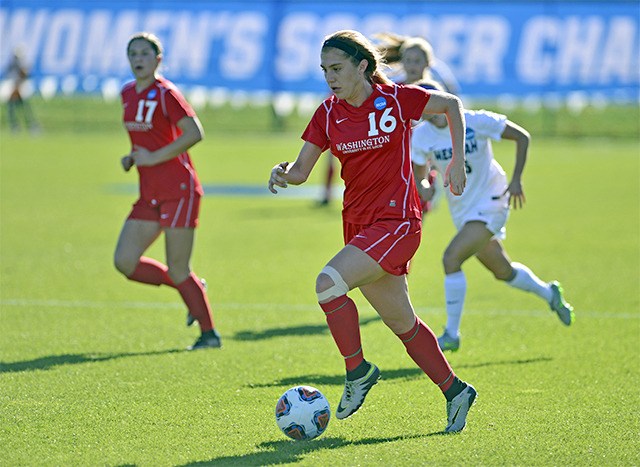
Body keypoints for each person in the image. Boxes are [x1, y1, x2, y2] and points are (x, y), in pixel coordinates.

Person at [268, 29, 476, 433]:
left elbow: (451, 105)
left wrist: (458, 163)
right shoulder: (327, 113)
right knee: (403, 324)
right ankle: (456, 391)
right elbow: (301, 170)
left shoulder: (397, 99)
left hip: (398, 222)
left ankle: (357, 372)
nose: (330, 77)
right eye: (325, 70)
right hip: (359, 226)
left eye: (338, 68)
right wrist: (283, 173)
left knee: (327, 284)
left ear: (362, 66)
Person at [411, 83, 575, 352]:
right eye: (427, 108)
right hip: (462, 211)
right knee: (503, 271)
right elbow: (421, 179)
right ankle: (550, 293)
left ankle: (451, 334)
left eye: (436, 103)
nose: (433, 111)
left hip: (493, 202)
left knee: (451, 258)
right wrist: (425, 190)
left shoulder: (475, 120)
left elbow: (522, 137)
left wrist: (517, 180)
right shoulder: (422, 137)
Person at [114, 32, 221, 351]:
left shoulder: (166, 93)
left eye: (145, 53)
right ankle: (190, 289)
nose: (138, 59)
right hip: (150, 193)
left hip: (180, 190)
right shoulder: (127, 93)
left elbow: (194, 133)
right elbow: (148, 138)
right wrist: (133, 157)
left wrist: (153, 157)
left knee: (177, 266)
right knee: (125, 262)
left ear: (158, 60)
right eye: (133, 53)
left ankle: (209, 335)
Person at [3, 47, 39, 133]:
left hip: (20, 86)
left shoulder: (22, 64)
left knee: (24, 108)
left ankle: (30, 126)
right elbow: (11, 76)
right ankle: (16, 126)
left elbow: (25, 75)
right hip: (14, 86)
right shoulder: (13, 64)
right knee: (13, 107)